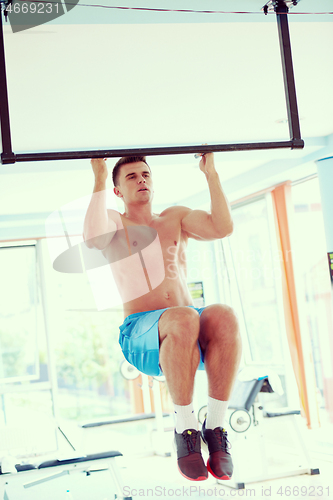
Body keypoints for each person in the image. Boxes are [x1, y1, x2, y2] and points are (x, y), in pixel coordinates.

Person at [83, 154, 242, 481]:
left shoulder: (176, 217)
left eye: (145, 174)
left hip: (188, 329)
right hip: (142, 334)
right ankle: (185, 430)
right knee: (183, 316)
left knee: (223, 315)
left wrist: (210, 173)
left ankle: (215, 426)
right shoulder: (114, 222)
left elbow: (222, 227)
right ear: (117, 192)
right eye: (131, 177)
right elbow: (93, 240)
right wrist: (99, 176)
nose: (141, 180)